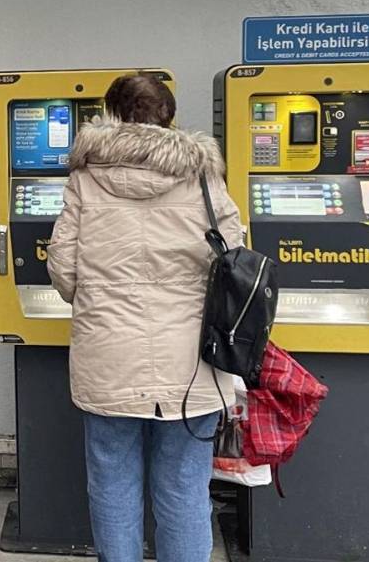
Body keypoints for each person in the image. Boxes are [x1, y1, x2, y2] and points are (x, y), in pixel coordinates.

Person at [47, 74, 242, 562]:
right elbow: (235, 260)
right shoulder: (203, 177)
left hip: (109, 356)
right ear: (170, 116)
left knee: (112, 481)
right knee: (183, 488)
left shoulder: (85, 178)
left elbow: (63, 270)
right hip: (191, 362)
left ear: (111, 116)